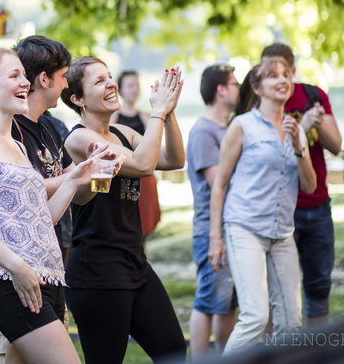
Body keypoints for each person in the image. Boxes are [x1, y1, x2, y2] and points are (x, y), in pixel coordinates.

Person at [0, 48, 108, 364]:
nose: (25, 82)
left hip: (49, 281)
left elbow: (42, 220)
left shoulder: (19, 145)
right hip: (16, 283)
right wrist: (18, 268)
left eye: (23, 75)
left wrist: (75, 179)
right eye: (14, 76)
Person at [61, 58, 187, 363]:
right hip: (98, 272)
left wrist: (166, 113)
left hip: (135, 264)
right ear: (77, 99)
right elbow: (143, 165)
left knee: (173, 350)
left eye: (109, 77)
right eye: (98, 81)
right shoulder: (79, 138)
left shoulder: (121, 133)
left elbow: (173, 159)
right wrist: (156, 112)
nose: (111, 84)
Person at [208, 58, 317, 354]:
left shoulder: (296, 129)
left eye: (285, 75)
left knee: (292, 323)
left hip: (282, 234)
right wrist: (215, 238)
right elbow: (219, 185)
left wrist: (299, 145)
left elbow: (310, 185)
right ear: (257, 88)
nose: (282, 80)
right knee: (255, 317)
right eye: (273, 76)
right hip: (244, 228)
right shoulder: (242, 126)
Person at [261, 43, 342, 326]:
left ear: (292, 70)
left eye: (281, 71)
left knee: (319, 287)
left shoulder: (313, 95)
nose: (277, 78)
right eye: (268, 73)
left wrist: (316, 123)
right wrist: (303, 128)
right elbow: (270, 154)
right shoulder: (260, 105)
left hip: (317, 204)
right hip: (281, 208)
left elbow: (336, 145)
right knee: (278, 292)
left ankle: (316, 354)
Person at [186, 64, 239, 358]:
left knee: (226, 303)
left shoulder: (230, 127)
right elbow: (219, 182)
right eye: (234, 83)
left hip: (233, 227)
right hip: (211, 230)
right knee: (207, 302)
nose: (239, 88)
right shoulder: (204, 132)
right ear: (221, 90)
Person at [111, 70, 162, 247]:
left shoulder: (146, 117)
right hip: (121, 177)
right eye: (129, 85)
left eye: (136, 86)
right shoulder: (113, 118)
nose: (134, 90)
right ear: (121, 90)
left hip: (144, 179)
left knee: (144, 224)